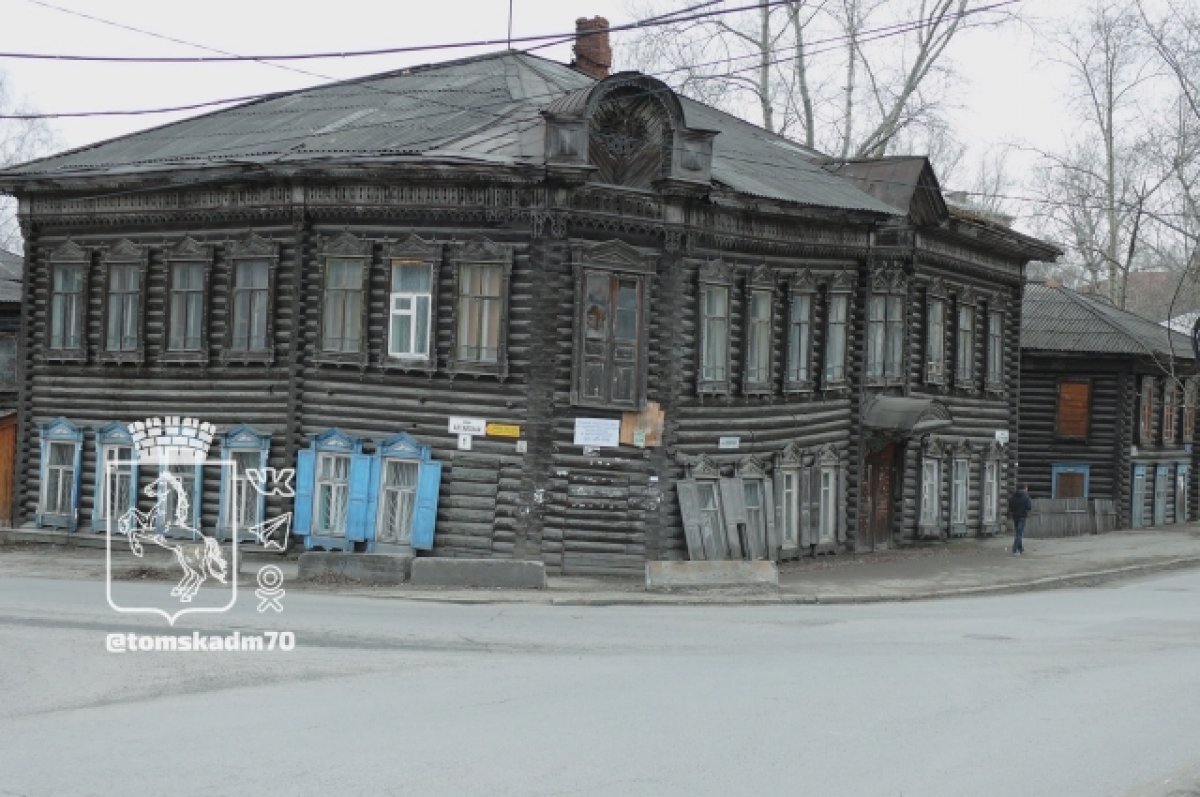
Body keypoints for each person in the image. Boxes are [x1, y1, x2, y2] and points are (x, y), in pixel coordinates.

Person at [1008, 483, 1032, 556]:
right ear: (1025, 488)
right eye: (1026, 488)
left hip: (1015, 516)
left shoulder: (1013, 496)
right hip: (1022, 516)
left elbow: (1010, 506)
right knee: (1019, 533)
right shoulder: (1026, 496)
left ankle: (1020, 548)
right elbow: (1029, 507)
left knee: (1018, 532)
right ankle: (1015, 549)